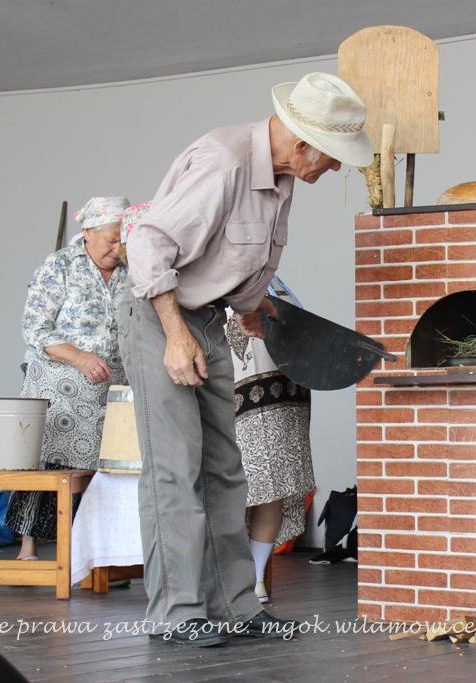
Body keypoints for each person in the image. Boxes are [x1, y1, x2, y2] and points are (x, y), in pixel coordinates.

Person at [120, 72, 371, 646]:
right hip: (160, 317)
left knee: (227, 471)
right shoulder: (224, 162)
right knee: (175, 469)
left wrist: (253, 306)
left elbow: (237, 258)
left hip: (209, 318)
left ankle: (236, 605)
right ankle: (176, 613)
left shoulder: (282, 178)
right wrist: (174, 336)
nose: (335, 168)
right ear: (304, 142)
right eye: (333, 156)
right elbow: (148, 244)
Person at [6, 196, 130, 561]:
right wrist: (80, 358)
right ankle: (28, 547)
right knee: (47, 458)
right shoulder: (60, 265)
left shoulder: (130, 271)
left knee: (105, 469)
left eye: (123, 240)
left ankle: (90, 556)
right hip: (58, 383)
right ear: (87, 232)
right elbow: (35, 328)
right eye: (110, 239)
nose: (117, 248)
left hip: (111, 388)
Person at [224, 276, 315, 604]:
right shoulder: (212, 280)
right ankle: (228, 579)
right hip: (233, 401)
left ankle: (256, 576)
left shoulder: (277, 283)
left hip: (285, 400)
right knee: (234, 491)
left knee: (273, 490)